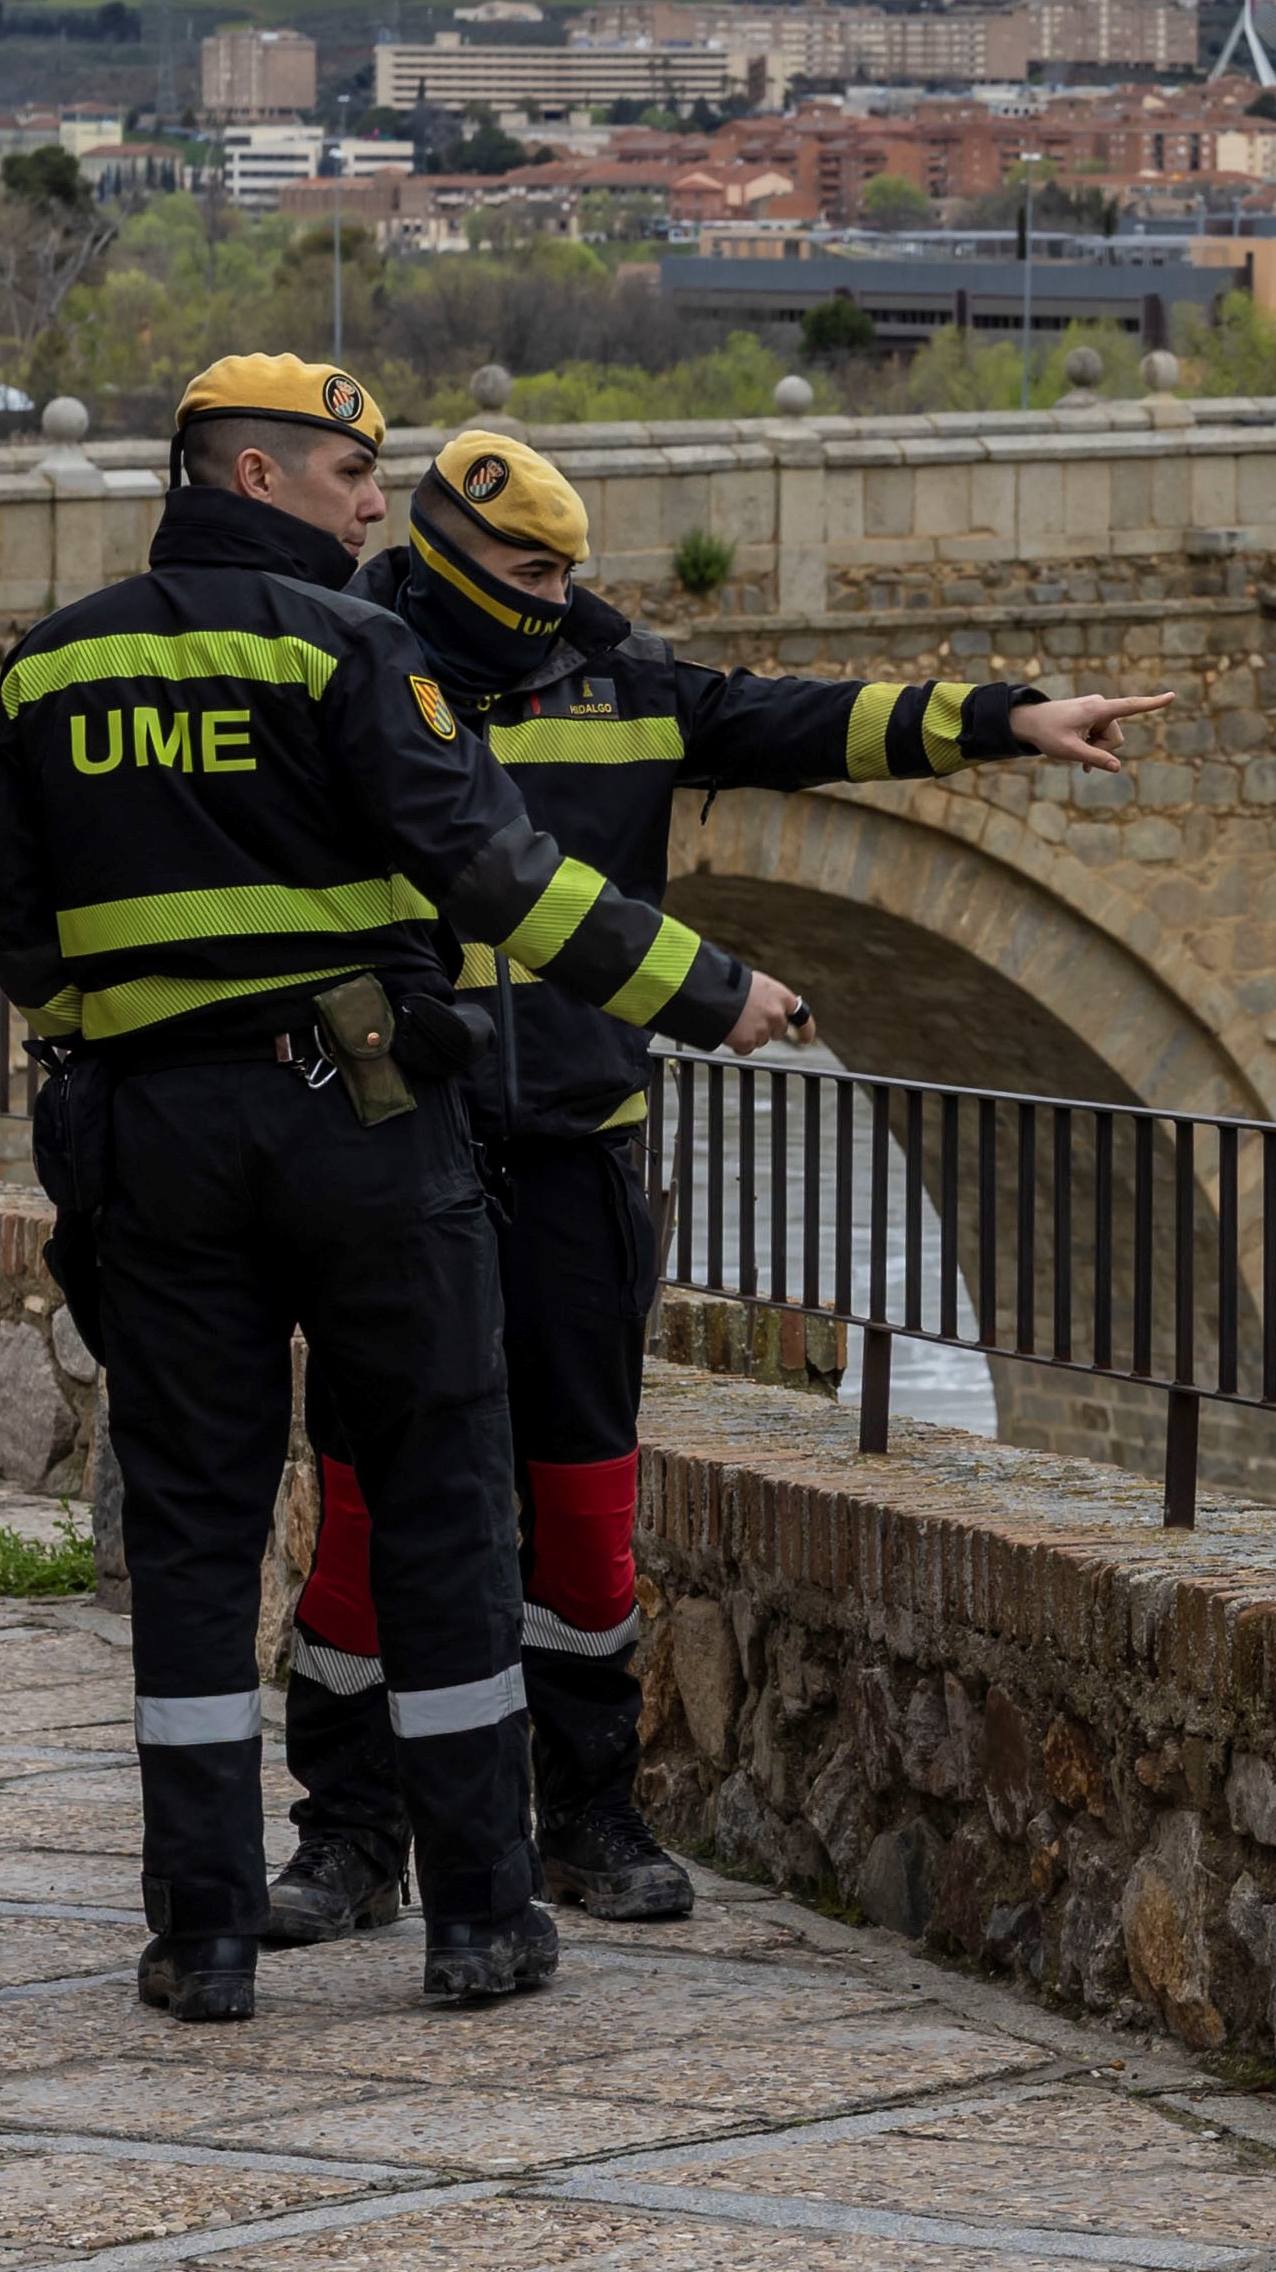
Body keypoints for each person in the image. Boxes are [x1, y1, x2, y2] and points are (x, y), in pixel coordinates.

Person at [0, 359, 804, 2026]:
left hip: (152, 1148)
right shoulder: (355, 650)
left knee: (202, 1535)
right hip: (357, 1126)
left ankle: (202, 1935)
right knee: (438, 1508)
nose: (377, 507)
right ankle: (481, 1918)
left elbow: (26, 945)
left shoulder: (54, 664)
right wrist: (710, 993)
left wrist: (140, 1053)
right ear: (262, 473)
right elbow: (498, 868)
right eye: (355, 476)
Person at [259, 431, 1168, 1939]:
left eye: (568, 575)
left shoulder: (623, 686)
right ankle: (349, 1834)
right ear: (440, 555)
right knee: (366, 1506)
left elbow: (803, 722)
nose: (556, 600)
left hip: (576, 1149)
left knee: (584, 1506)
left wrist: (1007, 718)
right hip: (397, 1146)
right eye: (528, 574)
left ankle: (592, 1814)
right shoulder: (352, 679)